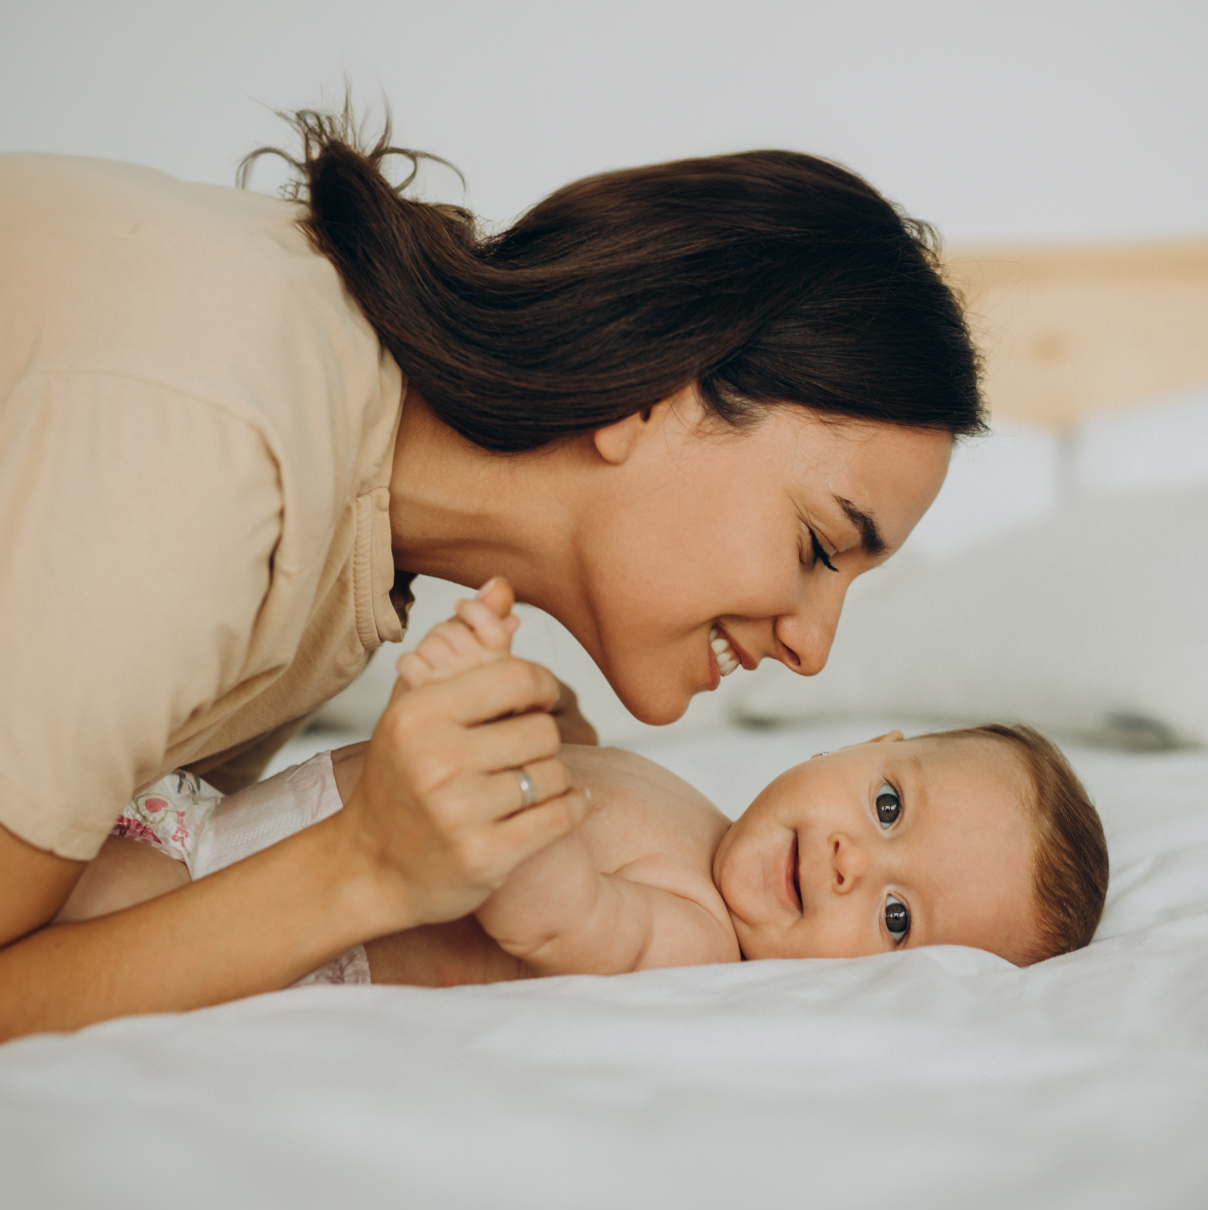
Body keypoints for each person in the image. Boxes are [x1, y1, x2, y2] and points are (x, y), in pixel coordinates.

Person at [0, 103, 981, 1039]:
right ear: (649, 390)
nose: (813, 649)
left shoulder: (356, 548)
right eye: (817, 545)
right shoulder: (220, 453)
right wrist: (365, 864)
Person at [58, 580, 1109, 980]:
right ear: (861, 746)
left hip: (231, 911)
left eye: (893, 918)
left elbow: (551, 910)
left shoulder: (693, 934)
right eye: (885, 808)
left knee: (65, 912)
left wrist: (482, 737)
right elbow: (594, 778)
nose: (849, 861)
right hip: (211, 822)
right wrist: (547, 714)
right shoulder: (694, 815)